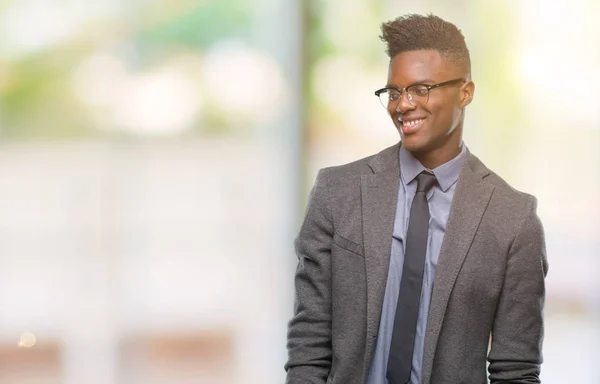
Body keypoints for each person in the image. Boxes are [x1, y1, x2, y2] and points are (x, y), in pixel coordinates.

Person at [285, 13, 548, 384]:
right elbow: (309, 343)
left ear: (465, 92)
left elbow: (516, 370)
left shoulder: (513, 219)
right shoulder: (337, 192)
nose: (403, 105)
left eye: (421, 89)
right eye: (394, 92)